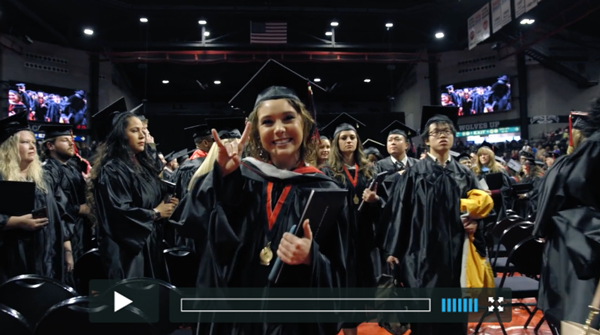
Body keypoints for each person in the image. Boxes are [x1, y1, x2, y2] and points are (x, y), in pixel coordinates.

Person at [169, 59, 348, 335]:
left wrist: (312, 258)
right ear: (254, 129)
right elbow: (197, 228)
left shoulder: (325, 191)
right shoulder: (240, 178)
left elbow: (342, 273)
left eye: (288, 118)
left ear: (305, 122)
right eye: (268, 122)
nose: (279, 129)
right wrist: (223, 180)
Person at [380, 113, 491, 335]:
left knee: (455, 310)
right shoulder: (414, 174)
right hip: (421, 252)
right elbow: (399, 211)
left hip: (456, 252)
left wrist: (477, 224)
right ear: (426, 140)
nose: (442, 136)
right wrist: (394, 249)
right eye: (436, 133)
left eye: (447, 132)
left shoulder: (465, 173)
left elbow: (481, 206)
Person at [89, 111, 178, 280]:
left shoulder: (142, 165)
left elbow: (150, 197)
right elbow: (118, 212)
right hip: (127, 251)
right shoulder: (113, 170)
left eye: (142, 130)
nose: (142, 135)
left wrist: (168, 202)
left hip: (148, 243)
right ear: (121, 135)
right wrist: (155, 213)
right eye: (135, 130)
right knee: (130, 301)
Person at [533, 105, 600, 326]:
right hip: (582, 251)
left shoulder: (564, 164)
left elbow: (548, 208)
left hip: (572, 248)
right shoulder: (592, 151)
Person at [320, 115, 378, 335]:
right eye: (343, 137)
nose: (348, 141)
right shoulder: (328, 172)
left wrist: (375, 201)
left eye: (352, 137)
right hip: (340, 239)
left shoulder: (368, 171)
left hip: (363, 237)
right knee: (344, 289)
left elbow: (382, 206)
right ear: (336, 142)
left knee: (363, 287)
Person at [0, 112, 72, 283]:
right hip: (12, 257)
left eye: (33, 142)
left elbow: (61, 213)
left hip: (48, 255)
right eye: (25, 142)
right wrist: (16, 222)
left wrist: (67, 249)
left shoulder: (42, 178)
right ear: (9, 147)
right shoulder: (2, 177)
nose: (32, 146)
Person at [41, 123, 92, 262]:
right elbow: (52, 206)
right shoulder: (47, 172)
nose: (71, 144)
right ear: (50, 146)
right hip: (63, 236)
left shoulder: (72, 168)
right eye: (64, 140)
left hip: (80, 232)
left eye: (72, 140)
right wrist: (78, 209)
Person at [472, 143, 512, 220]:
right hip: (481, 205)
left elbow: (508, 188)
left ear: (490, 156)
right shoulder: (475, 171)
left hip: (497, 204)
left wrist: (494, 192)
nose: (482, 157)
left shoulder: (499, 170)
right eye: (480, 155)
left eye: (485, 154)